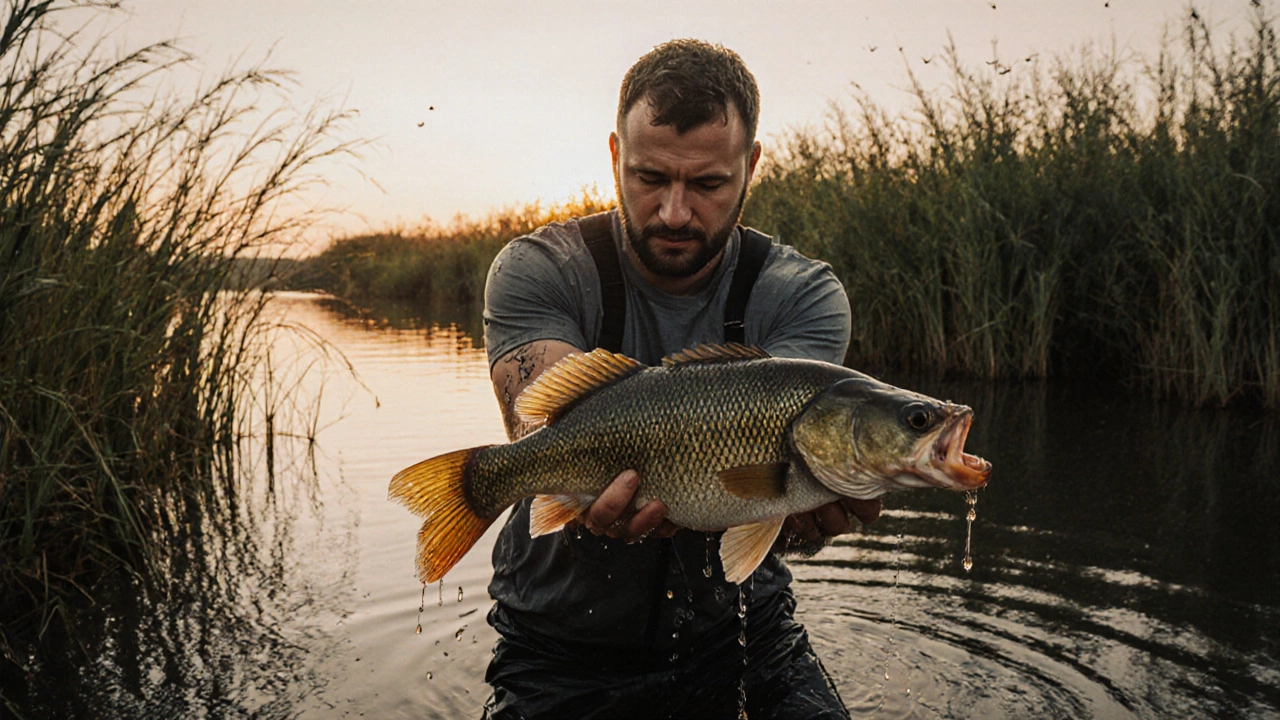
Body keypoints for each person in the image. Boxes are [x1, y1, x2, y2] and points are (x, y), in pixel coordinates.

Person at [480, 39, 881, 719]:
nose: (672, 211)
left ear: (750, 167)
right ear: (615, 157)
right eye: (648, 178)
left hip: (745, 635)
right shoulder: (537, 269)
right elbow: (538, 423)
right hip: (558, 644)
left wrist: (807, 517)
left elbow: (782, 493)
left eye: (707, 184)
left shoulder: (803, 294)